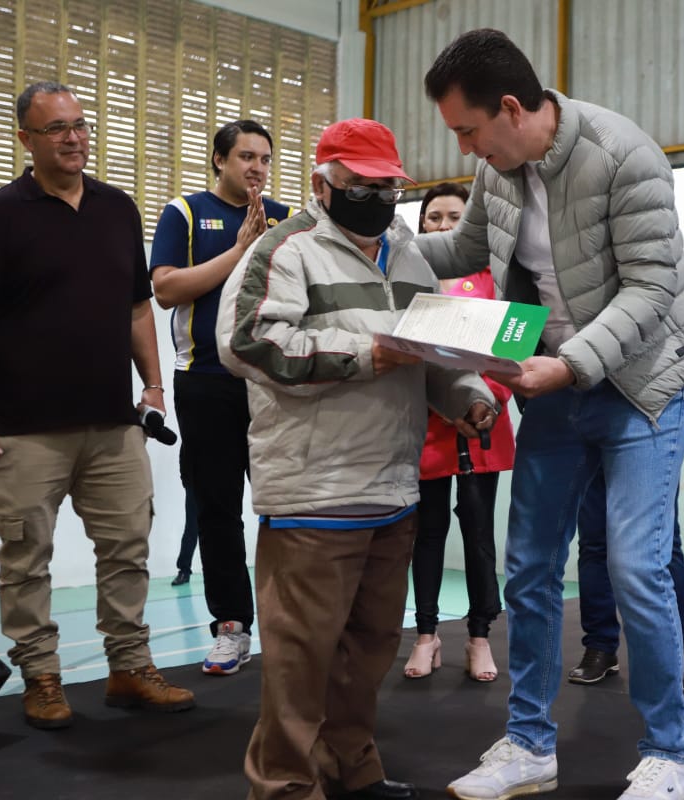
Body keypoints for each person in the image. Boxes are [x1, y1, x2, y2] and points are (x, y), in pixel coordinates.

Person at [416, 28, 684, 800]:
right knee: (531, 566)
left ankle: (671, 757)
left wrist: (571, 363)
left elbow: (650, 289)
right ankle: (528, 745)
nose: (465, 149)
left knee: (636, 567)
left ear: (512, 109)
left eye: (469, 130)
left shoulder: (624, 155)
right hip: (553, 382)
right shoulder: (496, 170)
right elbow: (463, 252)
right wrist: (371, 240)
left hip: (644, 383)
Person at [215, 117, 497, 800]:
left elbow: (432, 348)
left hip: (393, 488)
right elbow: (247, 344)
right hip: (314, 491)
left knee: (369, 650)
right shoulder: (286, 250)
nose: (376, 200)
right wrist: (365, 354)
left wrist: (467, 396)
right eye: (360, 186)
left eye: (387, 188)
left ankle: (352, 767)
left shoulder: (407, 254)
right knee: (300, 659)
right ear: (323, 184)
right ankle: (286, 785)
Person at [0, 81, 195, 730]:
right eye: (56, 128)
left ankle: (129, 668)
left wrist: (154, 386)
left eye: (80, 125)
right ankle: (41, 676)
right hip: (23, 430)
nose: (74, 138)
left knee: (128, 548)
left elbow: (137, 307)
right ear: (25, 139)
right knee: (26, 559)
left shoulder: (118, 209)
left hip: (113, 423)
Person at [149, 120, 293, 675]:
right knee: (216, 507)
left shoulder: (286, 218)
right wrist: (239, 251)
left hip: (272, 382)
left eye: (265, 159)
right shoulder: (185, 213)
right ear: (219, 160)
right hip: (205, 380)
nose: (257, 168)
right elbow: (165, 289)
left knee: (286, 506)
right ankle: (232, 626)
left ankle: (291, 624)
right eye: (246, 157)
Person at [404, 182, 516, 683]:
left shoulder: (496, 277)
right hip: (426, 425)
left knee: (478, 531)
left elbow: (512, 353)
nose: (444, 226)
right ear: (421, 224)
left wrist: (481, 401)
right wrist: (441, 402)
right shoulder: (410, 280)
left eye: (454, 217)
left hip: (481, 424)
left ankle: (479, 636)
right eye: (434, 218)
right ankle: (426, 634)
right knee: (427, 533)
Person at [568, 478, 684, 691]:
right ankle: (600, 646)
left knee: (662, 542)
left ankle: (672, 653)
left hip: (652, 456)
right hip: (592, 459)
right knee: (593, 541)